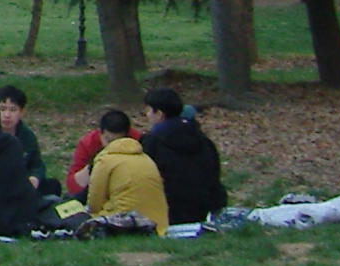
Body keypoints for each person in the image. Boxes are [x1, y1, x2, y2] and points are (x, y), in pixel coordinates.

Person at [139, 85, 230, 225]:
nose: (147, 115)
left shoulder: (152, 142)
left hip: (170, 209)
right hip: (208, 207)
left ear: (159, 113)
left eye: (149, 110)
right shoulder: (202, 139)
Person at [83, 108, 171, 230]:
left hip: (123, 221)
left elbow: (94, 203)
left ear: (101, 134)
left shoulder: (105, 159)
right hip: (159, 223)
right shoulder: (144, 157)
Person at [0, 86, 46, 195]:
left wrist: (35, 178)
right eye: (2, 109)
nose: (7, 115)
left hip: (20, 187)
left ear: (21, 112)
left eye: (13, 110)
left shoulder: (27, 136)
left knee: (52, 185)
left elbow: (37, 165)